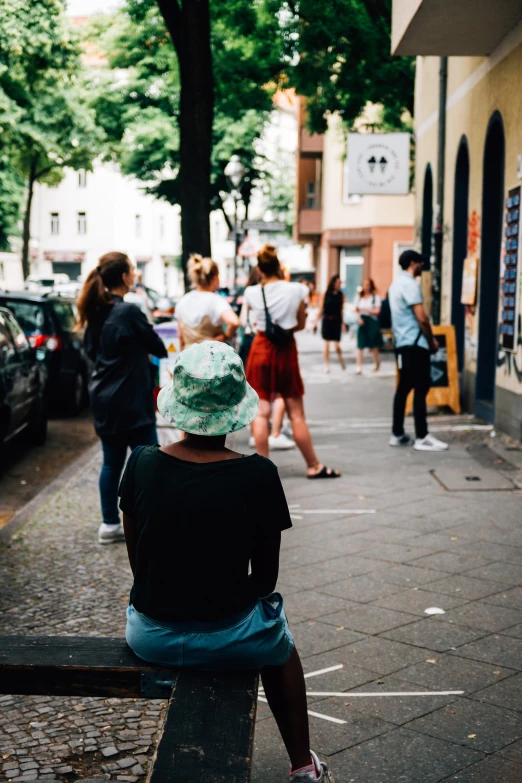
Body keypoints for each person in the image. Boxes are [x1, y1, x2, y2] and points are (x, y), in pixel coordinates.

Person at [120, 342, 334, 782]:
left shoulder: (140, 464)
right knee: (281, 644)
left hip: (151, 633)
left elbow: (139, 564)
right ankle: (302, 766)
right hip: (230, 634)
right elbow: (265, 579)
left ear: (178, 405)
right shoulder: (259, 475)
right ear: (236, 408)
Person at [78, 252, 168, 545]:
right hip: (132, 398)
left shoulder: (95, 311)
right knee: (148, 462)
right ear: (124, 277)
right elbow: (157, 345)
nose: (135, 275)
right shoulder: (128, 312)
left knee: (111, 463)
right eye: (132, 270)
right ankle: (150, 521)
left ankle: (109, 524)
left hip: (104, 399)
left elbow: (90, 353)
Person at [244, 244, 340, 478]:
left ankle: (262, 470)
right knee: (296, 413)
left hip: (261, 349)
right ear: (279, 266)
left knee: (261, 412)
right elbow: (300, 323)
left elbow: (253, 323)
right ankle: (313, 465)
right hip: (285, 350)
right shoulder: (297, 289)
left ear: (260, 269)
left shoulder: (252, 292)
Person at [388, 249, 448, 452]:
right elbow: (422, 318)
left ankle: (397, 433)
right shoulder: (410, 285)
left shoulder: (395, 285)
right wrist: (431, 341)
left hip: (402, 345)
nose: (422, 266)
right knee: (421, 388)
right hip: (415, 344)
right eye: (420, 263)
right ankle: (422, 436)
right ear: (413, 263)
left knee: (403, 389)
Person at [241, 266, 295, 452]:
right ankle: (276, 433)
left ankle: (257, 440)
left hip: (252, 344)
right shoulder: (277, 293)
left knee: (257, 399)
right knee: (279, 396)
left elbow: (242, 321)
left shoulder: (250, 293)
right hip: (271, 343)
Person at [175, 255, 239, 349]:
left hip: (188, 358)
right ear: (214, 278)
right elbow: (234, 322)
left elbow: (180, 337)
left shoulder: (183, 301)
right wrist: (225, 337)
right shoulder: (215, 300)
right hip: (211, 357)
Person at [354, 277, 383, 374]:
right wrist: (358, 318)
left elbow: (377, 311)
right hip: (362, 320)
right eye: (364, 285)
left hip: (371, 321)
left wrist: (365, 310)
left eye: (367, 285)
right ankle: (358, 366)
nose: (365, 287)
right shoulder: (359, 297)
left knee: (373, 344)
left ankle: (376, 362)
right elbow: (355, 310)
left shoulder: (375, 297)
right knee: (360, 345)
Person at [319, 274, 345, 373]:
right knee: (326, 344)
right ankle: (327, 365)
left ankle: (340, 359)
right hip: (327, 320)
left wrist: (343, 323)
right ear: (333, 283)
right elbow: (321, 308)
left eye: (340, 283)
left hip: (336, 321)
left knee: (337, 345)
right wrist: (315, 321)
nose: (339, 285)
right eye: (338, 283)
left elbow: (341, 310)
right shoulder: (325, 294)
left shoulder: (340, 295)